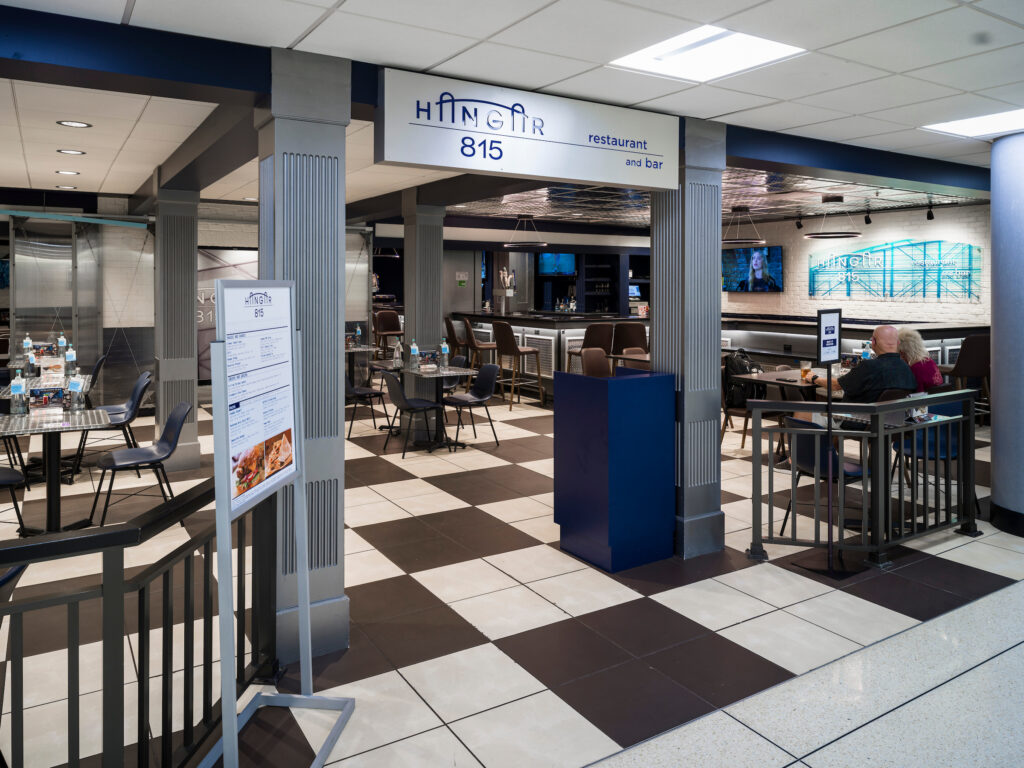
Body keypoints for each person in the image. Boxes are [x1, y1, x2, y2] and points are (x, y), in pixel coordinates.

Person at [811, 325, 916, 403]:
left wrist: (814, 378)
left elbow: (835, 386)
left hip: (853, 420)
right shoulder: (907, 369)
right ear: (898, 343)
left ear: (873, 342)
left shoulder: (868, 367)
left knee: (805, 413)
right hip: (888, 423)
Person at [897, 327, 944, 392]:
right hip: (940, 396)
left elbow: (917, 394)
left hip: (926, 397)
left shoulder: (915, 369)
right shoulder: (929, 361)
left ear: (903, 352)